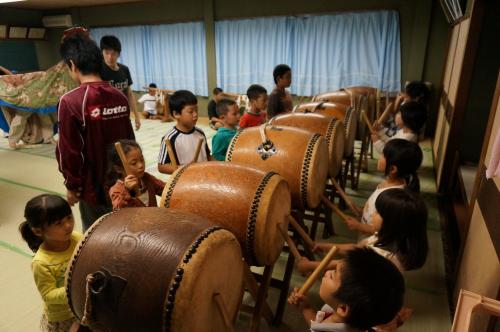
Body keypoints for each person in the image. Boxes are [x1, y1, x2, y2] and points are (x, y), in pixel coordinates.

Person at [57, 33, 135, 231]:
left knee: (95, 237)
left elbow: (70, 151)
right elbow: (130, 141)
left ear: (72, 65)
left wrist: (72, 186)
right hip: (122, 182)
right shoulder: (119, 96)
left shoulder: (71, 101)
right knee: (123, 230)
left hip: (93, 188)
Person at [298, 188, 428, 274]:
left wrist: (309, 266)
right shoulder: (393, 238)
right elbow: (357, 248)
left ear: (392, 223)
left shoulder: (382, 256)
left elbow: (343, 265)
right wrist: (327, 247)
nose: (373, 214)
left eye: (378, 212)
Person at [288, 247, 405, 332]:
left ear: (343, 308)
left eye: (333, 274)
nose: (327, 272)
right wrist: (306, 308)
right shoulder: (344, 316)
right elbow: (318, 325)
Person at [19, 194, 82, 332]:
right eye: (58, 223)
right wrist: (77, 289)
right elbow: (48, 295)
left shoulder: (76, 237)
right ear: (38, 231)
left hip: (81, 304)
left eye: (69, 218)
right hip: (64, 316)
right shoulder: (41, 262)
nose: (68, 225)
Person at [344, 139, 423, 238]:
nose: (379, 157)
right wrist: (361, 210)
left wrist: (358, 226)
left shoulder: (394, 197)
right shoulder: (388, 182)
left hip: (373, 240)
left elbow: (381, 230)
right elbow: (376, 208)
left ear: (393, 169)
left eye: (383, 155)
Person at [158, 90, 211, 174]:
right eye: (191, 112)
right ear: (176, 114)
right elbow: (162, 167)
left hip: (204, 177)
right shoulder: (169, 138)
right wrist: (186, 168)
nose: (195, 114)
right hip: (185, 181)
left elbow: (208, 156)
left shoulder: (200, 133)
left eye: (196, 110)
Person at [107, 139, 165, 210]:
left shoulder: (146, 178)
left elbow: (165, 190)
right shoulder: (116, 190)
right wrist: (127, 190)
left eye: (142, 159)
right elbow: (119, 210)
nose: (141, 165)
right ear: (118, 169)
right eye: (134, 163)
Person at [100, 35, 141, 130]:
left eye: (113, 53)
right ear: (102, 52)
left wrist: (136, 116)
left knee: (128, 143)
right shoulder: (98, 71)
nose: (110, 57)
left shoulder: (124, 69)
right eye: (106, 53)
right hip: (107, 118)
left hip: (124, 115)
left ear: (118, 54)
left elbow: (129, 94)